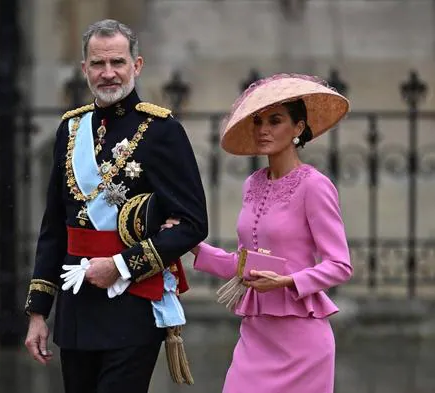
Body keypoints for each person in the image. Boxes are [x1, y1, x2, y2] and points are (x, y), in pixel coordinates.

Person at [23, 19, 208, 393]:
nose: (108, 74)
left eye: (118, 63)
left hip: (131, 305)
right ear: (84, 69)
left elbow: (193, 223)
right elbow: (54, 228)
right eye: (98, 64)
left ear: (135, 66)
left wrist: (121, 265)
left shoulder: (161, 130)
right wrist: (38, 311)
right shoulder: (70, 130)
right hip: (77, 309)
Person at [182, 73, 353, 393]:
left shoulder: (314, 186)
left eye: (275, 121)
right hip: (256, 336)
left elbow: (340, 264)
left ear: (298, 128)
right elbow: (248, 263)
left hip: (303, 342)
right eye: (258, 121)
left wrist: (287, 281)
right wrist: (193, 246)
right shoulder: (253, 184)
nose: (263, 129)